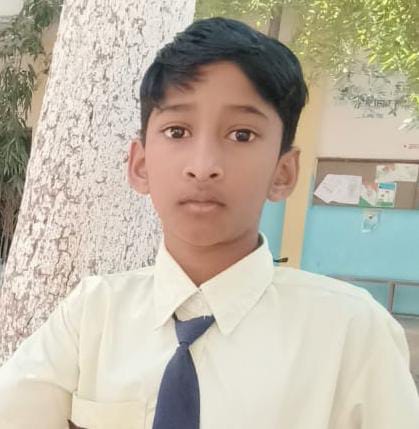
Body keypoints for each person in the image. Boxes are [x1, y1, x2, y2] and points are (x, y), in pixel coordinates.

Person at [1, 16, 419, 429]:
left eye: (242, 135)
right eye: (177, 131)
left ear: (283, 173)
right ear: (140, 165)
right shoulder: (92, 316)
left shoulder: (351, 332)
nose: (203, 166)